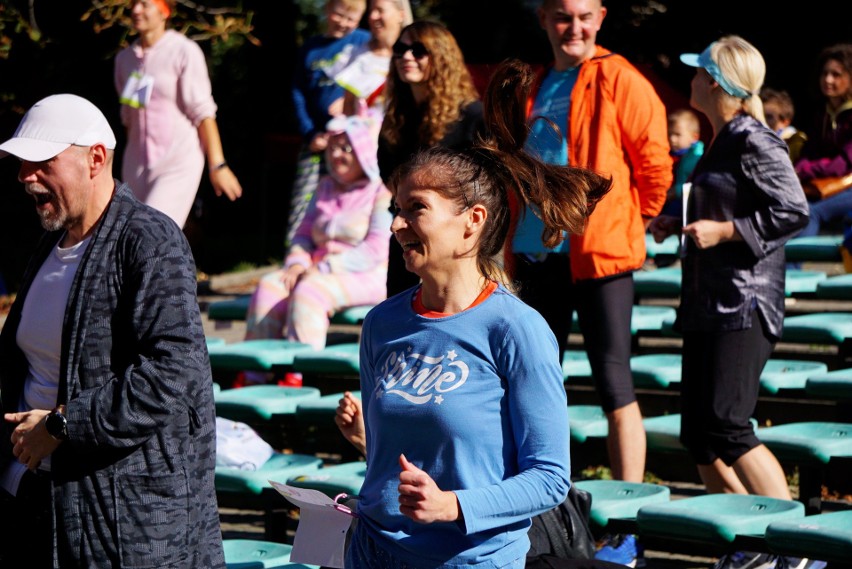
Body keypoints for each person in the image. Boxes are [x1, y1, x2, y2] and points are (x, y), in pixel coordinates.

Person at [334, 59, 611, 569]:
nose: (396, 225)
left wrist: (454, 506)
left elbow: (549, 478)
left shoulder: (516, 329)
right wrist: (368, 443)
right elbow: (407, 460)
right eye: (395, 209)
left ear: (472, 223)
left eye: (415, 208)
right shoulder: (381, 324)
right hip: (373, 552)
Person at [0, 94, 223, 567]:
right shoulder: (48, 243)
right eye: (21, 164)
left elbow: (171, 374)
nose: (24, 177)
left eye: (42, 162)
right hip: (37, 500)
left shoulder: (149, 240)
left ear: (95, 158)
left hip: (122, 524)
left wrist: (61, 425)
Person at [509, 1, 673, 563]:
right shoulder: (532, 82)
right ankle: (541, 510)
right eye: (561, 16)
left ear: (601, 16)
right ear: (544, 20)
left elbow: (654, 167)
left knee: (613, 382)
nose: (573, 27)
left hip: (601, 255)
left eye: (583, 16)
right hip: (535, 254)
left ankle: (628, 526)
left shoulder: (620, 77)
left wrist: (629, 223)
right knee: (532, 382)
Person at [649, 36, 811, 569]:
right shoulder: (720, 140)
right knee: (698, 431)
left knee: (728, 423)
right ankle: (753, 540)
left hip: (744, 305)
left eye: (699, 72)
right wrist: (680, 224)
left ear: (716, 83)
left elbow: (793, 210)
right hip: (706, 302)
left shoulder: (752, 138)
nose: (690, 77)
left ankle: (795, 546)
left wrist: (726, 231)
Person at [243, 112, 391, 358]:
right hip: (315, 268)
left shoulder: (380, 191)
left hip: (368, 273)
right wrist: (297, 263)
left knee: (310, 292)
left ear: (363, 152)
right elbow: (302, 236)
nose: (335, 155)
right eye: (332, 148)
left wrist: (324, 268)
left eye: (345, 148)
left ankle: (299, 371)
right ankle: (253, 374)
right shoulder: (324, 187)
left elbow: (376, 249)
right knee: (269, 286)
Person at [378, 20, 487, 296]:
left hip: (458, 246)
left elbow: (485, 189)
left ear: (441, 56)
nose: (406, 56)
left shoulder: (473, 117)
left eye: (418, 50)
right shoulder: (396, 120)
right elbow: (388, 175)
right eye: (400, 49)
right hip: (405, 239)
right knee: (401, 320)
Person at [114, 0, 243, 228]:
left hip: (177, 161)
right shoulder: (124, 60)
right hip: (135, 166)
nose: (135, 10)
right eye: (133, 4)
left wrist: (218, 165)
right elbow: (129, 119)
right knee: (133, 235)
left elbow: (203, 113)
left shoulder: (183, 51)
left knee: (153, 230)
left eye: (144, 4)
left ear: (164, 11)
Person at [288, 0, 370, 247]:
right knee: (305, 199)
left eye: (351, 18)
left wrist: (350, 100)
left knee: (347, 198)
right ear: (327, 10)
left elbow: (374, 76)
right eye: (339, 14)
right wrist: (310, 133)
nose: (344, 22)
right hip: (316, 140)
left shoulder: (363, 42)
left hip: (353, 141)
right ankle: (297, 251)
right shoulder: (311, 48)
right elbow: (298, 93)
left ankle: (345, 249)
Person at [793, 43, 852, 238]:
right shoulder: (822, 115)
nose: (827, 80)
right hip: (823, 184)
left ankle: (795, 269)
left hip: (847, 188)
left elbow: (841, 165)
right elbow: (809, 152)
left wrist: (804, 170)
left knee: (810, 212)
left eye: (836, 75)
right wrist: (798, 168)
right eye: (824, 73)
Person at [335, 0, 413, 117]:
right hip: (362, 133)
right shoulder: (357, 54)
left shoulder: (415, 57)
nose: (372, 16)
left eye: (380, 10)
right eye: (371, 11)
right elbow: (348, 107)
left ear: (401, 15)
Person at [661, 108, 704, 218]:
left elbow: (698, 186)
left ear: (694, 137)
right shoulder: (673, 155)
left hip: (684, 206)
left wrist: (677, 191)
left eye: (677, 134)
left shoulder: (697, 158)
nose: (672, 139)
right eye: (670, 134)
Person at [760, 87, 807, 163]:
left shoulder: (797, 144)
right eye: (760, 115)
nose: (762, 120)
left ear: (785, 122)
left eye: (769, 117)